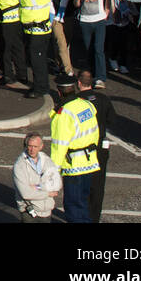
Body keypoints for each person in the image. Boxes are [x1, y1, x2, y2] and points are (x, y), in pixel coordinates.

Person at [48, 73, 99, 223]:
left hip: (73, 167)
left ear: (59, 92)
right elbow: (95, 131)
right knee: (83, 204)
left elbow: (59, 147)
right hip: (90, 162)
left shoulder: (63, 114)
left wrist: (53, 173)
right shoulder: (87, 105)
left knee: (73, 207)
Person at [75, 69, 116, 222]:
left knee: (81, 186)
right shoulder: (103, 99)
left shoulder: (75, 101)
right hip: (100, 148)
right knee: (98, 186)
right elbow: (113, 120)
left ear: (79, 83)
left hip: (81, 149)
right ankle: (94, 218)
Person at [18, 0, 55, 99]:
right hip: (30, 29)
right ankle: (38, 85)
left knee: (38, 61)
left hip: (39, 30)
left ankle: (41, 88)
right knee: (34, 60)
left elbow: (26, 0)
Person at [12, 132, 62, 222]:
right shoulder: (19, 166)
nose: (32, 150)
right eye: (30, 146)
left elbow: (56, 185)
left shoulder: (47, 161)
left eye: (35, 146)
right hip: (29, 212)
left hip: (47, 211)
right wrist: (48, 193)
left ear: (41, 146)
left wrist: (37, 187)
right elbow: (26, 193)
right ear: (26, 146)